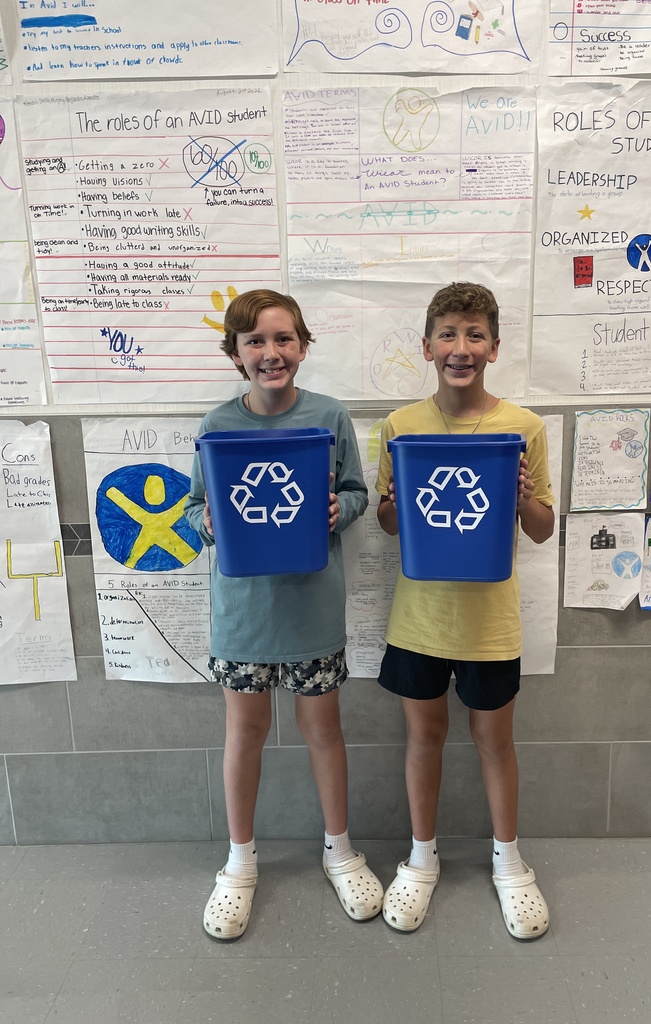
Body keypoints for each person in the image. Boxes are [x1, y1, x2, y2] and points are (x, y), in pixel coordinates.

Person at [185, 289, 383, 940]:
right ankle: (239, 863)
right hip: (242, 613)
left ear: (302, 345)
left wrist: (341, 511)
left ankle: (339, 849)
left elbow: (354, 490)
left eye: (284, 339)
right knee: (244, 732)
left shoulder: (329, 418)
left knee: (323, 729)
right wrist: (207, 521)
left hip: (311, 607)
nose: (271, 353)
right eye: (256, 342)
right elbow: (193, 507)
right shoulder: (217, 427)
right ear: (236, 354)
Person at [375, 282, 555, 939]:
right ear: (427, 347)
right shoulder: (400, 427)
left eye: (475, 335)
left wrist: (521, 495)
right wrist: (389, 498)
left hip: (491, 624)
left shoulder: (523, 428)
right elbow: (391, 524)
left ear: (495, 348)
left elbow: (541, 529)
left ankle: (510, 862)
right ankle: (421, 859)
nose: (461, 347)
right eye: (448, 334)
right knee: (423, 739)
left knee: (495, 743)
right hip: (420, 621)